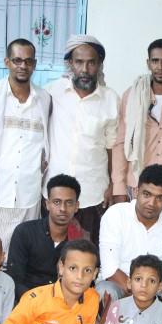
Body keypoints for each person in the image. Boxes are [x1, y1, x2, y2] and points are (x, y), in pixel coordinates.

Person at [0, 38, 51, 250]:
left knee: (23, 254)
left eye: (28, 61)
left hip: (29, 196)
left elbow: (47, 149)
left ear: (35, 64)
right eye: (17, 60)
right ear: (7, 62)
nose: (23, 66)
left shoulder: (44, 100)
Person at [44, 35, 119, 244]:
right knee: (50, 251)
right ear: (70, 63)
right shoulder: (52, 92)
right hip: (54, 192)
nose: (85, 69)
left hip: (92, 192)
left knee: (86, 251)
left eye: (91, 63)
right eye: (79, 62)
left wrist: (112, 184)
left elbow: (111, 147)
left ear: (99, 64)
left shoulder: (111, 99)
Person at [111, 39, 162, 203]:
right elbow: (120, 143)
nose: (160, 67)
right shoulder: (132, 96)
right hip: (136, 184)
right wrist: (119, 187)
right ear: (148, 63)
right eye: (155, 61)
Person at [97, 164, 162, 303]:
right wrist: (142, 298)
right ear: (136, 191)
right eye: (147, 194)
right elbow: (110, 270)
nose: (152, 203)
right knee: (105, 291)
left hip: (156, 293)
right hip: (120, 287)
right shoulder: (115, 215)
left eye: (160, 198)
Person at [6, 174, 89, 303]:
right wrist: (37, 302)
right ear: (47, 204)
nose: (63, 209)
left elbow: (84, 282)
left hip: (64, 304)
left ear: (76, 206)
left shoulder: (81, 242)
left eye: (69, 203)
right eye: (57, 202)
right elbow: (14, 279)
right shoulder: (25, 232)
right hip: (28, 302)